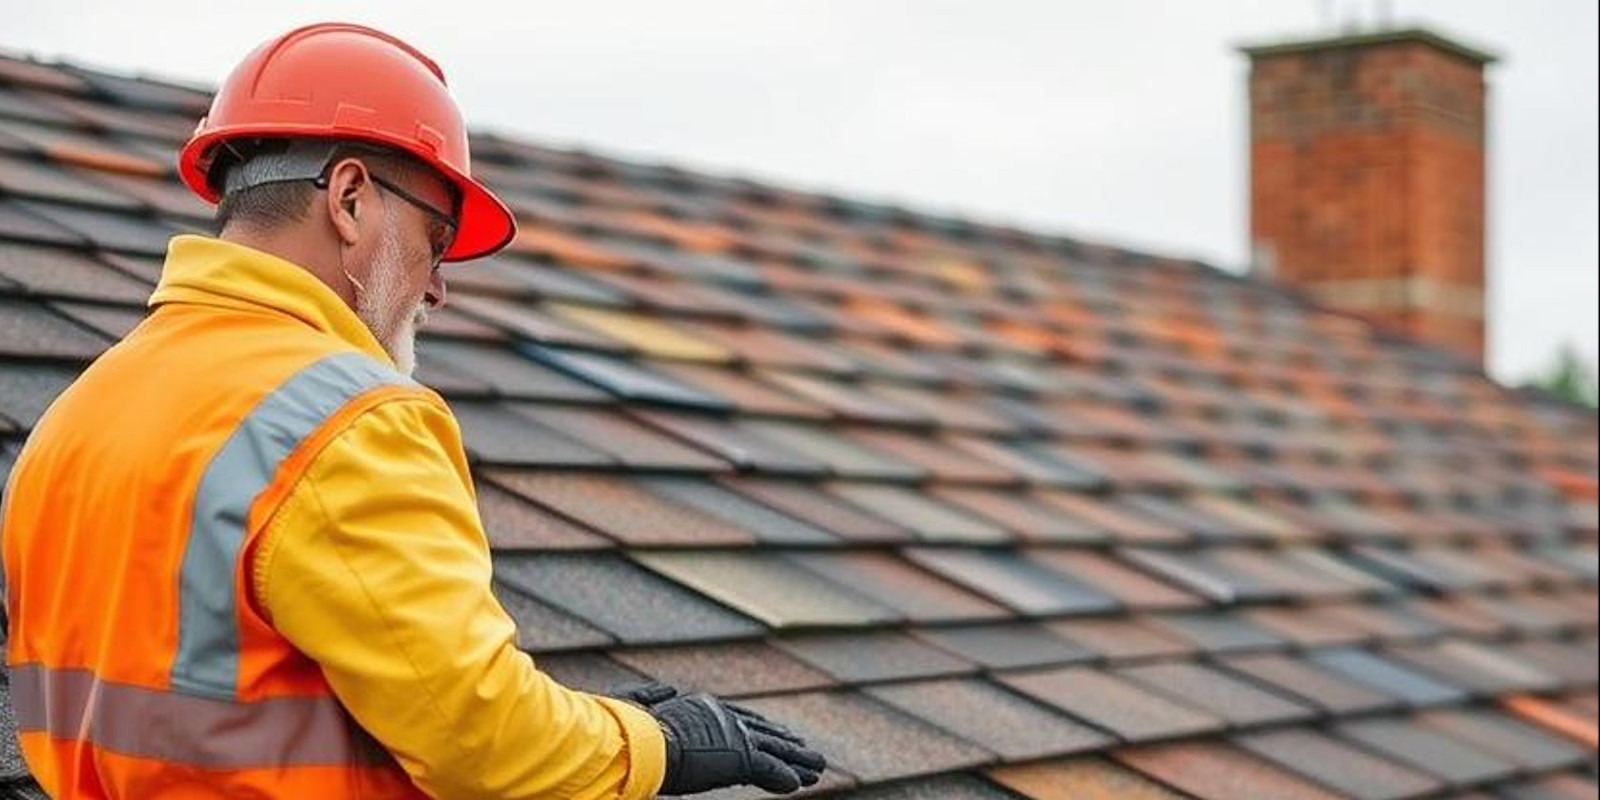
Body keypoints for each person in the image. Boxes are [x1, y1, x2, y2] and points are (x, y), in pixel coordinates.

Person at [0, 22, 824, 799]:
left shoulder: (77, 417)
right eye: (434, 241)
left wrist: (574, 718)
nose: (436, 286)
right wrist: (656, 745)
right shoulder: (345, 420)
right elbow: (482, 743)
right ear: (351, 198)